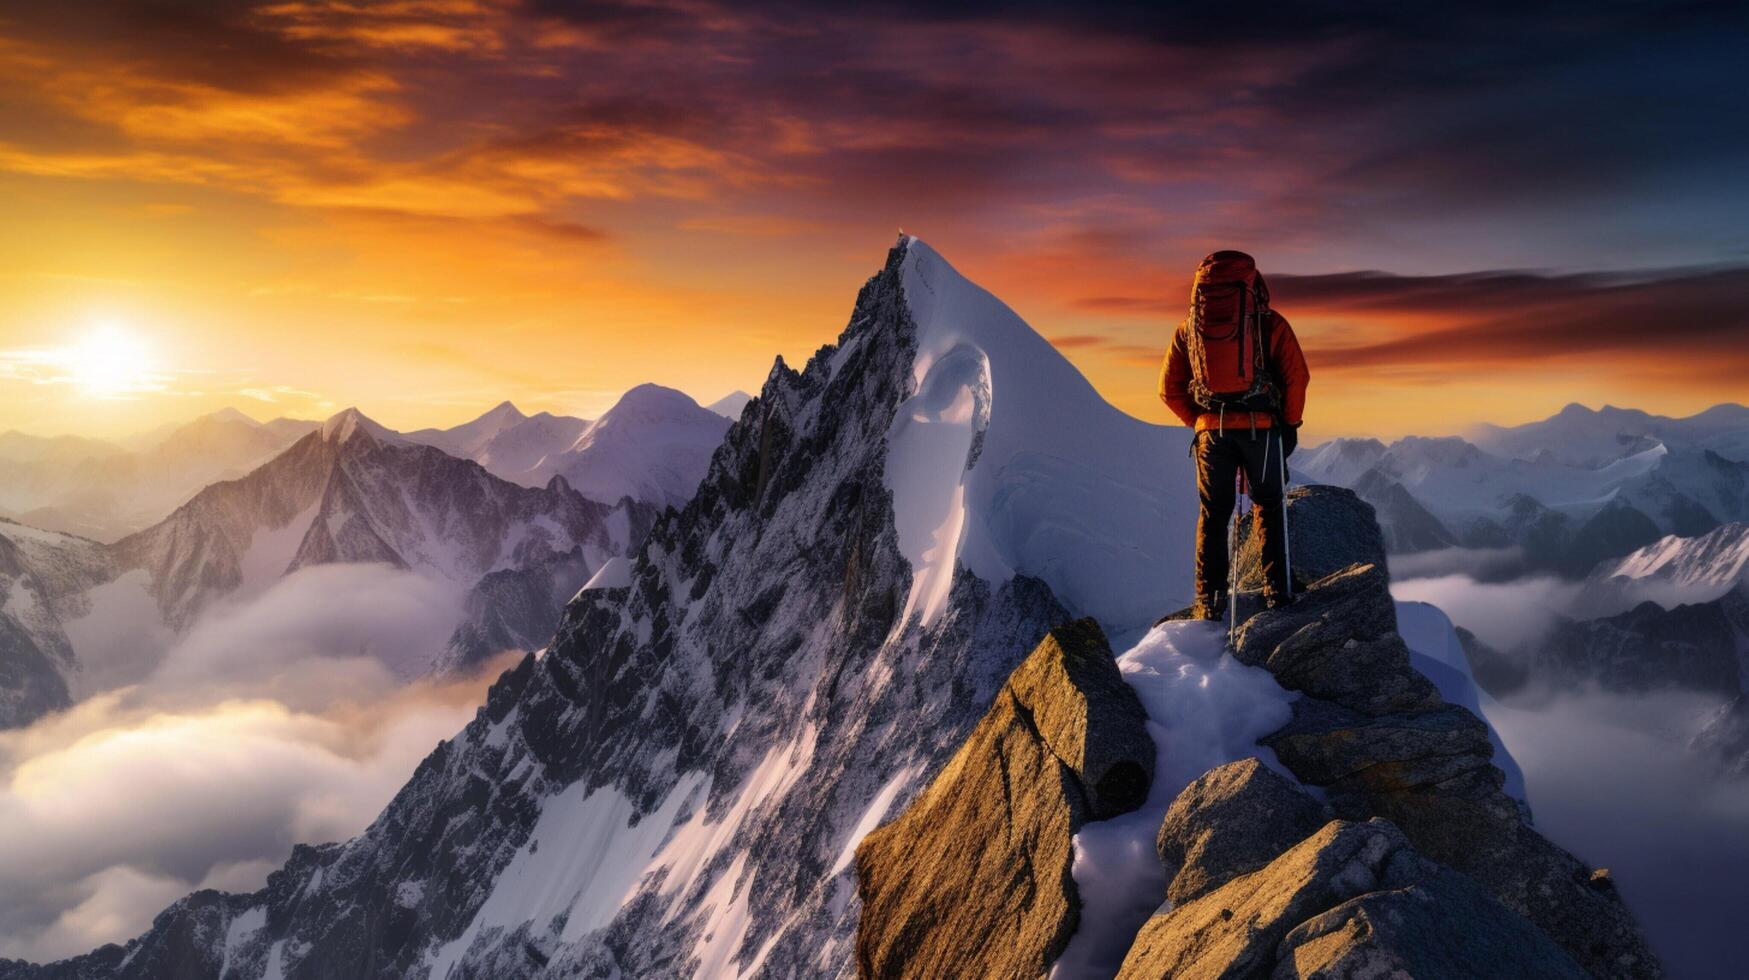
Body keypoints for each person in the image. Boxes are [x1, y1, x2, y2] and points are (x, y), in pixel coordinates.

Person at [1158, 250, 1310, 620]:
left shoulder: (1188, 330)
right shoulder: (1271, 325)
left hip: (1212, 433)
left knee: (1213, 515)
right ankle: (1278, 590)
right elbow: (1297, 377)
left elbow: (1168, 389)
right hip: (1262, 430)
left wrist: (1200, 420)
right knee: (1268, 505)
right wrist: (1288, 424)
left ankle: (1208, 601)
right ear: (1253, 285)